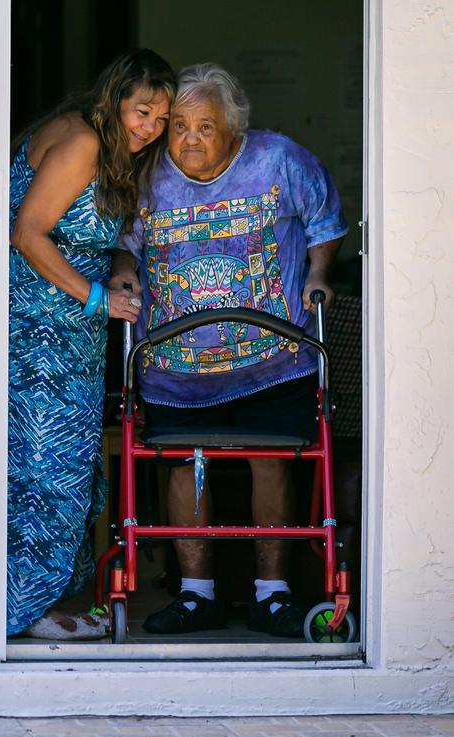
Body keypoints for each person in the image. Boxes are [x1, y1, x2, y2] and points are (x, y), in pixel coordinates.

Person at [112, 63, 348, 637]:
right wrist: (123, 275)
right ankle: (196, 596)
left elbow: (326, 222)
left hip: (274, 360)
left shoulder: (277, 160)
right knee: (184, 466)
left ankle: (273, 595)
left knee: (271, 462)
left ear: (234, 129)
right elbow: (124, 243)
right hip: (177, 368)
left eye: (206, 126)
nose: (190, 139)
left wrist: (319, 273)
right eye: (180, 126)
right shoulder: (146, 177)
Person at [7, 49, 176, 640]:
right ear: (115, 100)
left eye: (160, 117)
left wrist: (117, 271)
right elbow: (27, 233)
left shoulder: (97, 140)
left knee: (56, 466)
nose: (150, 128)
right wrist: (99, 299)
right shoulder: (82, 141)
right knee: (45, 470)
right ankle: (20, 610)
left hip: (63, 331)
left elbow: (88, 233)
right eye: (141, 111)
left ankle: (29, 603)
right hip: (39, 333)